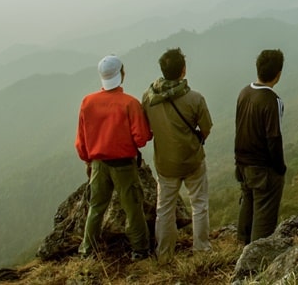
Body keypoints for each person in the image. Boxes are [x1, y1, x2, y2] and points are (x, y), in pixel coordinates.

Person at [74, 55, 152, 261]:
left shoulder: (87, 102)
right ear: (122, 74)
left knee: (96, 207)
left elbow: (81, 140)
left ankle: (87, 250)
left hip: (98, 164)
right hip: (124, 165)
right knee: (133, 208)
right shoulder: (130, 104)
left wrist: (87, 160)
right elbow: (142, 138)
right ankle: (140, 250)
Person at [142, 48, 213, 264]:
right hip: (192, 160)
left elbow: (147, 130)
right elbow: (206, 128)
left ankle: (164, 254)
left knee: (164, 209)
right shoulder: (195, 98)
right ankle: (201, 249)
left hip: (165, 164)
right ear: (183, 71)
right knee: (199, 203)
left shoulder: (148, 98)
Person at [234, 49, 286, 245]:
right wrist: (280, 169)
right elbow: (274, 138)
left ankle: (242, 246)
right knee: (264, 217)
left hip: (242, 164)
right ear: (278, 74)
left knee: (248, 203)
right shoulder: (273, 101)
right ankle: (257, 261)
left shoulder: (244, 92)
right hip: (263, 169)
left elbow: (238, 128)